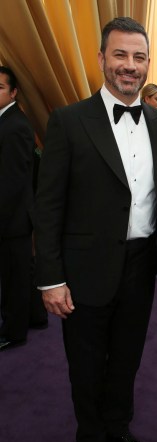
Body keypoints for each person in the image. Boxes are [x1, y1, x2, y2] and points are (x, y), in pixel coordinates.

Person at [34, 17, 157, 442]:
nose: (129, 66)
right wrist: (51, 277)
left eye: (138, 57)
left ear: (148, 63)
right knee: (87, 365)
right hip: (84, 269)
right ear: (101, 59)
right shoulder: (68, 121)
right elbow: (47, 206)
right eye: (120, 55)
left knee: (128, 358)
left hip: (140, 264)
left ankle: (119, 428)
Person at [0, 66, 34, 351]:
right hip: (14, 216)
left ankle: (13, 332)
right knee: (22, 272)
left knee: (13, 277)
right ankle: (34, 318)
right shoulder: (7, 121)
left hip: (12, 217)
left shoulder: (14, 126)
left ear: (13, 92)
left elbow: (11, 182)